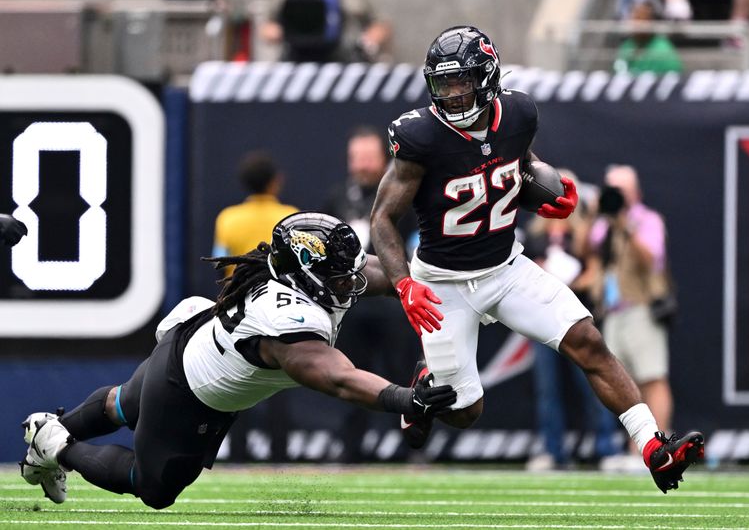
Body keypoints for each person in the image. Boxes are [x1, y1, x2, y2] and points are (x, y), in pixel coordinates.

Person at [370, 25, 702, 494]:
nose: (453, 94)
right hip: (442, 282)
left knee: (587, 340)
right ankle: (426, 388)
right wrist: (405, 283)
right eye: (444, 85)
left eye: (463, 82)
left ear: (487, 78)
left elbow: (518, 165)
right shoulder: (420, 136)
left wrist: (547, 193)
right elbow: (382, 217)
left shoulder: (519, 113)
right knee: (466, 411)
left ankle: (653, 446)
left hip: (506, 267)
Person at [19, 211, 457, 507]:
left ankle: (48, 428)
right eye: (339, 276)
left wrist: (431, 282)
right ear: (304, 274)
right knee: (155, 488)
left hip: (193, 340)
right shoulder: (288, 319)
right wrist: (404, 399)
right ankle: (58, 446)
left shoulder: (307, 276)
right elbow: (338, 378)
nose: (350, 283)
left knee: (124, 403)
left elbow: (386, 275)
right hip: (189, 390)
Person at [322, 126, 418, 461]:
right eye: (357, 158)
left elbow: (418, 242)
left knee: (402, 371)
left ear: (383, 158)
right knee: (349, 373)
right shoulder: (337, 198)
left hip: (393, 300)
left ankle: (410, 447)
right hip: (352, 305)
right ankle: (350, 447)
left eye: (368, 158)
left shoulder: (402, 193)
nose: (362, 165)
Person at [523, 173, 618, 470]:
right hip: (541, 319)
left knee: (593, 381)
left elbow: (596, 271)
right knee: (548, 389)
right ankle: (553, 451)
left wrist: (568, 282)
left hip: (576, 316)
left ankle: (607, 448)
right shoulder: (534, 234)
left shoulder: (584, 235)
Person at [587, 165, 675, 468]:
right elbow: (586, 250)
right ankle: (636, 448)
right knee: (625, 382)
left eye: (619, 191)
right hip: (612, 311)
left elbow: (652, 259)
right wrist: (595, 213)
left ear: (634, 193)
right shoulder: (605, 224)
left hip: (641, 308)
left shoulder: (646, 220)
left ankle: (658, 447)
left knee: (652, 377)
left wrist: (625, 223)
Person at [212, 150, 298, 275]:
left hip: (239, 291)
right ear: (275, 181)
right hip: (281, 291)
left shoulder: (227, 217)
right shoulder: (291, 217)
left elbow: (219, 262)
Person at [259, 0, 392, 63]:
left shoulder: (352, 1)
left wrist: (369, 40)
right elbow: (267, 28)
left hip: (344, 61)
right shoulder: (282, 0)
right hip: (293, 60)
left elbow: (380, 26)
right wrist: (280, 32)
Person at [613, 0, 684, 75]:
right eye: (636, 18)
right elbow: (618, 73)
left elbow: (674, 77)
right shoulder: (627, 46)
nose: (638, 24)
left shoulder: (663, 49)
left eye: (642, 18)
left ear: (651, 21)